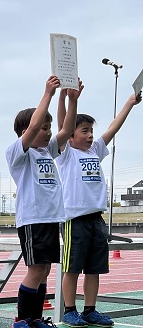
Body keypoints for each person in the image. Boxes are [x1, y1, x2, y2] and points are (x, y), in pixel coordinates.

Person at [55, 89, 141, 327]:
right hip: (75, 220)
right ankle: (70, 310)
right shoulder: (66, 154)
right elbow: (63, 124)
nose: (91, 136)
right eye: (85, 131)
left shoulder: (94, 152)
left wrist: (130, 103)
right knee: (72, 268)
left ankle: (90, 310)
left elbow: (113, 127)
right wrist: (63, 99)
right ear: (70, 136)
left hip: (96, 220)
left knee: (94, 269)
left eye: (92, 131)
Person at [6, 75, 82, 328]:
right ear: (25, 132)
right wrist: (48, 94)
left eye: (48, 128)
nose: (48, 131)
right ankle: (22, 319)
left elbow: (67, 131)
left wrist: (72, 101)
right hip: (33, 219)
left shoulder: (47, 151)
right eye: (42, 127)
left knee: (45, 270)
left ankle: (35, 318)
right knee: (36, 270)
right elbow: (34, 124)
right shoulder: (19, 152)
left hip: (50, 219)